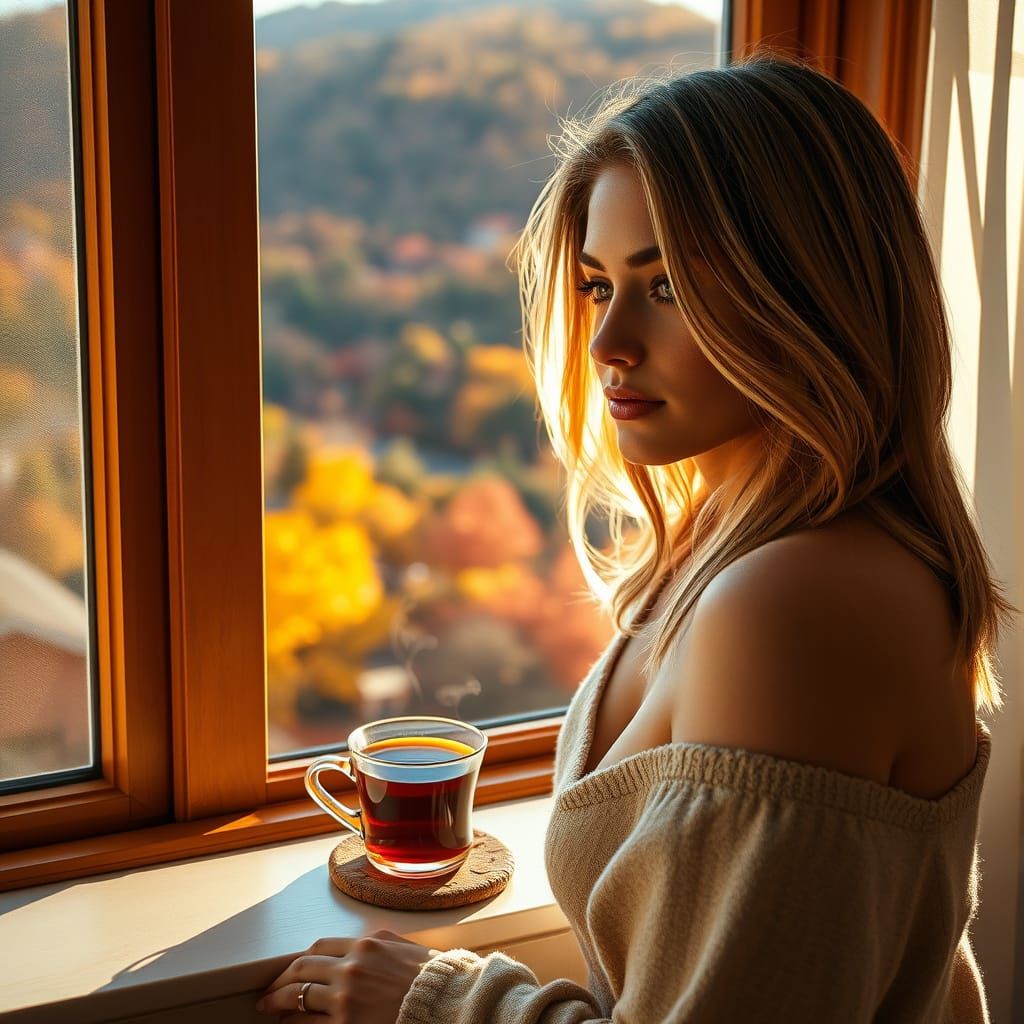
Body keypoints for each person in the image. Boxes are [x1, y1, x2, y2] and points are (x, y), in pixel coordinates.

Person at [255, 52, 1015, 1023]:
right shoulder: (728, 548)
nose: (608, 341)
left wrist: (448, 1003)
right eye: (593, 284)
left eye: (665, 288)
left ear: (810, 295)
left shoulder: (795, 602)